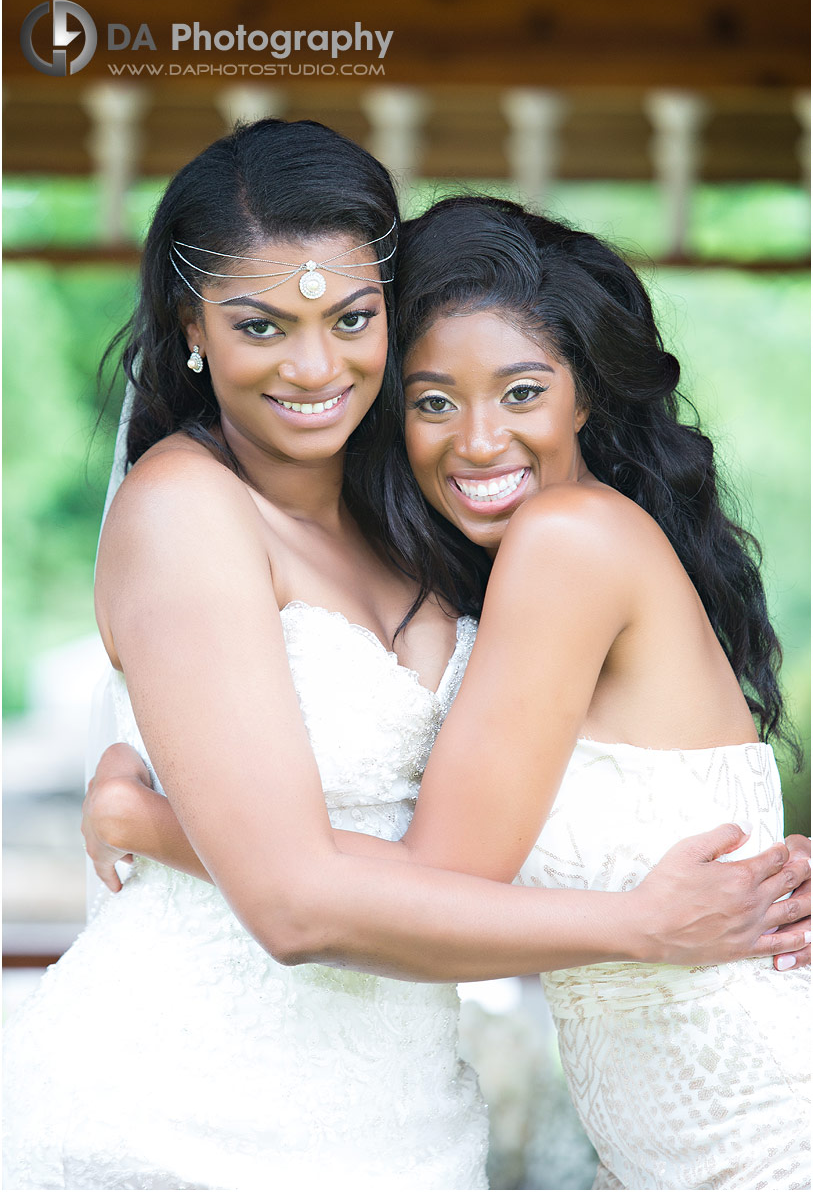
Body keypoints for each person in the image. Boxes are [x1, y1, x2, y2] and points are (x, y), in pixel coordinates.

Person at [5, 124, 808, 1192]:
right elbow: (317, 892)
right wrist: (640, 924)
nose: (313, 365)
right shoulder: (223, 515)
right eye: (262, 324)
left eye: (348, 318)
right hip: (186, 1110)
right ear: (192, 325)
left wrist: (151, 817)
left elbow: (442, 869)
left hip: (623, 1125)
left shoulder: (511, 539)